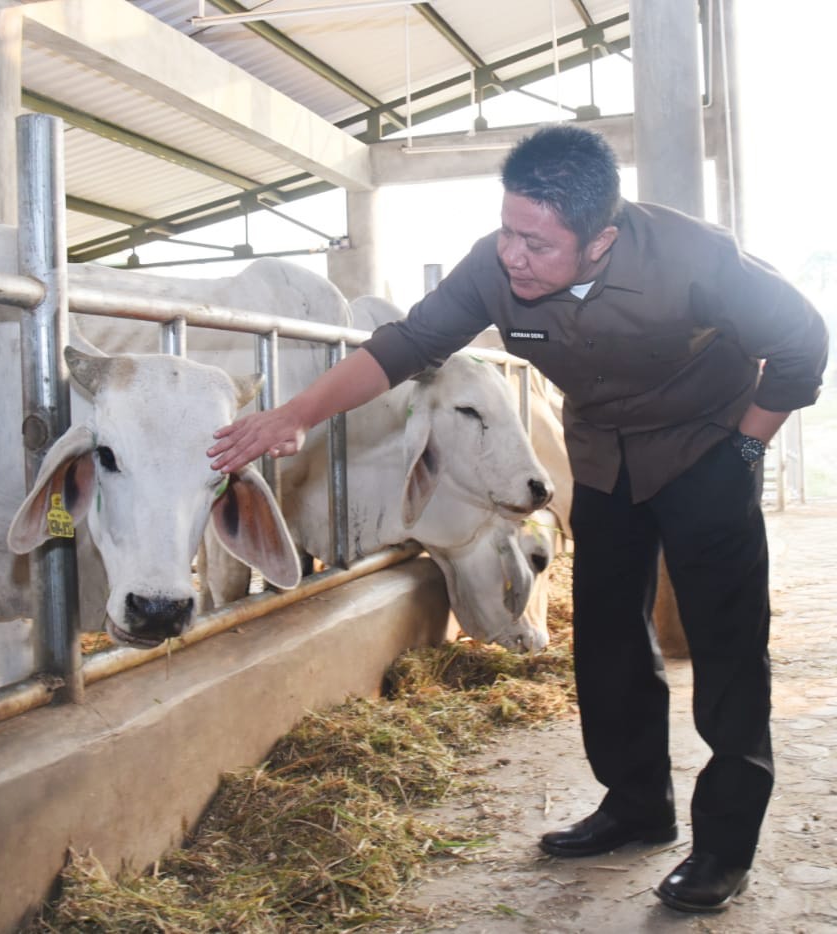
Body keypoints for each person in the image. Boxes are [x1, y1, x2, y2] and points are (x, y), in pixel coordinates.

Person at [207, 124, 828, 914]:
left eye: (537, 243)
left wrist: (745, 450)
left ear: (601, 240)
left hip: (706, 448)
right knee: (605, 635)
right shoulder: (494, 264)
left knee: (726, 643)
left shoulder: (695, 260)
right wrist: (296, 413)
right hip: (603, 457)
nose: (513, 255)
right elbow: (404, 346)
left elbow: (803, 343)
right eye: (508, 229)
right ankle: (636, 806)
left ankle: (723, 848)